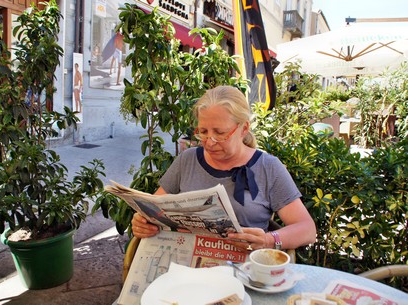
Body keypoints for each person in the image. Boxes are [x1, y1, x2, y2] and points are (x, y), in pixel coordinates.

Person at [131, 85, 316, 252]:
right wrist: (142, 221)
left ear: (243, 128)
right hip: (186, 267)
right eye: (203, 132)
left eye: (220, 133)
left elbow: (307, 229)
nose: (210, 142)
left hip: (243, 274)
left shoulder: (268, 167)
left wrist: (268, 240)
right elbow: (153, 208)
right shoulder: (188, 160)